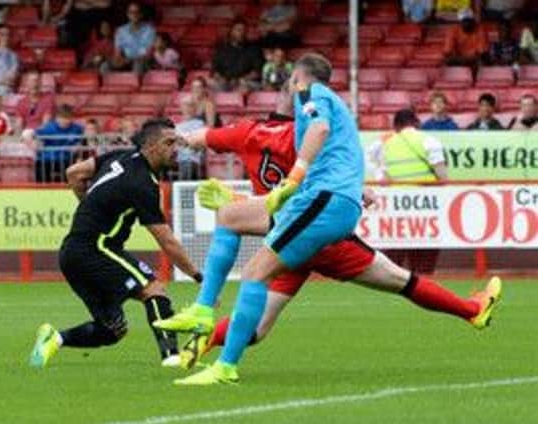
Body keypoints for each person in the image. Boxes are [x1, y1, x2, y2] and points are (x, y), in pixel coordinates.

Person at [155, 81, 501, 379]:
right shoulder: (303, 137)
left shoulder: (244, 131)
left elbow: (194, 139)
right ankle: (472, 311)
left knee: (258, 323)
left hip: (282, 238)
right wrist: (358, 191)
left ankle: (206, 337)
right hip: (319, 235)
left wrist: (169, 139)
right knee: (401, 280)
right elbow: (323, 179)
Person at [168, 53, 366, 385]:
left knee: (255, 272)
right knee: (230, 216)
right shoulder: (333, 101)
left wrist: (294, 178)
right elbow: (336, 149)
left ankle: (225, 365)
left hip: (322, 201)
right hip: (325, 199)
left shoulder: (310, 93)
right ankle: (204, 313)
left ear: (295, 78)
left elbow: (318, 129)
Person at [29, 118, 203, 369]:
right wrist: (198, 276)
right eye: (169, 143)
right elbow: (166, 239)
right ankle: (172, 357)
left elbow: (74, 173)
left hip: (71, 253)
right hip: (96, 247)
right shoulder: (143, 183)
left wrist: (89, 205)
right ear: (151, 146)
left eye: (176, 142)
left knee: (112, 329)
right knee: (153, 290)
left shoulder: (120, 157)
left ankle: (54, 339)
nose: (175, 148)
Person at [367, 109, 447, 274]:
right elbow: (442, 177)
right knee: (424, 263)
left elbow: (368, 157)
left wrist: (381, 176)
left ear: (395, 126)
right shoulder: (429, 141)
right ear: (417, 123)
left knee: (394, 261)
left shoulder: (384, 143)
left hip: (396, 210)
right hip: (426, 208)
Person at [34, 104, 84, 182]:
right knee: (40, 169)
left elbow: (82, 141)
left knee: (72, 172)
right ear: (57, 118)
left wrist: (78, 146)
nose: (65, 121)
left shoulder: (77, 129)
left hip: (67, 159)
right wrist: (36, 144)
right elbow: (36, 137)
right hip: (47, 159)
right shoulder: (48, 127)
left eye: (68, 118)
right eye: (62, 118)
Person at [212, 20, 264, 92]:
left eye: (244, 30)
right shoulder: (222, 50)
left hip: (245, 82)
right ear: (231, 31)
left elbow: (258, 72)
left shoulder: (254, 49)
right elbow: (215, 71)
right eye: (238, 30)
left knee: (244, 88)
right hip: (225, 83)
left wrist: (240, 79)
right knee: (208, 85)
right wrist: (222, 79)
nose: (241, 33)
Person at [110, 2, 156, 75]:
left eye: (136, 12)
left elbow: (149, 54)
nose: (134, 15)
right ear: (127, 14)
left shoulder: (149, 30)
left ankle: (136, 85)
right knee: (105, 66)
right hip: (125, 60)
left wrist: (130, 60)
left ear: (141, 14)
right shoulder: (120, 30)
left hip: (143, 60)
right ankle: (110, 86)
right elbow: (117, 52)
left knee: (138, 65)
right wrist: (118, 59)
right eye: (131, 12)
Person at [175, 96, 205, 180]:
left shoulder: (199, 124)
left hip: (192, 159)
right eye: (185, 105)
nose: (187, 108)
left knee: (187, 164)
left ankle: (181, 190)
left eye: (190, 105)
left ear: (194, 108)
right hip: (178, 158)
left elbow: (196, 142)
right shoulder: (177, 126)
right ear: (181, 107)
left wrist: (182, 141)